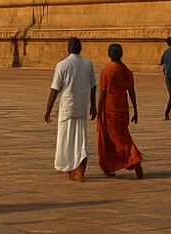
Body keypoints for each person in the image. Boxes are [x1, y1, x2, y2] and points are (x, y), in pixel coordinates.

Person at [45, 37, 96, 181]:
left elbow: (55, 89)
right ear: (80, 48)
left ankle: (68, 169)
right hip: (81, 108)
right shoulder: (88, 64)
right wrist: (93, 105)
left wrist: (48, 110)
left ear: (68, 48)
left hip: (67, 108)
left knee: (65, 140)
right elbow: (93, 86)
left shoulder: (62, 65)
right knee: (81, 140)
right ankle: (79, 170)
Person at [96, 43, 143, 178]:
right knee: (119, 136)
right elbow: (131, 92)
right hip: (122, 109)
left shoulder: (107, 71)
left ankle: (134, 156)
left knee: (115, 138)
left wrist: (99, 113)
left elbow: (102, 94)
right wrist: (135, 109)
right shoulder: (125, 70)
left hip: (110, 110)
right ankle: (110, 167)